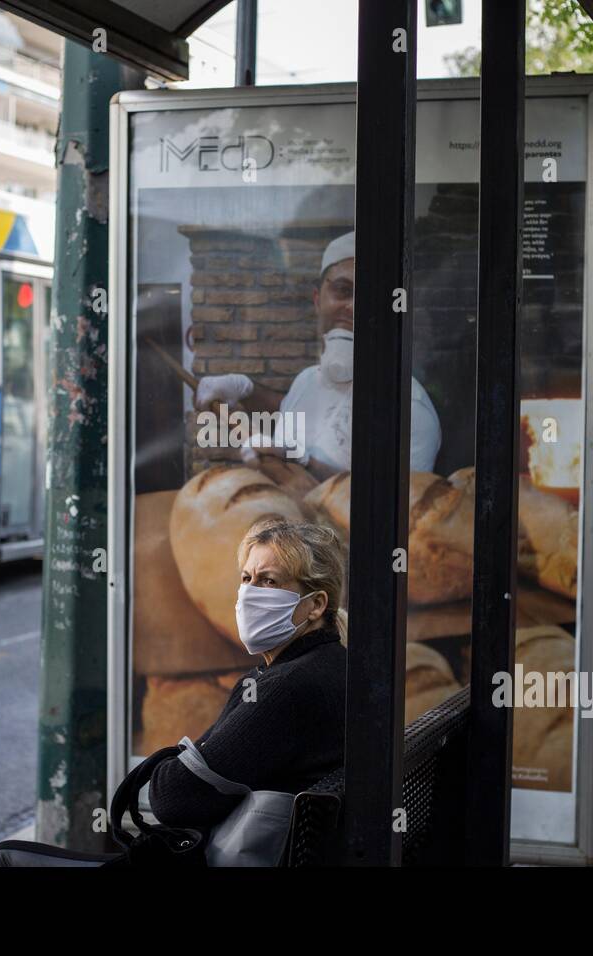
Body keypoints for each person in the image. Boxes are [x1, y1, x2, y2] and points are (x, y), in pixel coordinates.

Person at [146, 518, 348, 830]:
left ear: (316, 605)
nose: (248, 594)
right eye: (246, 577)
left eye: (269, 581)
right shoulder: (337, 664)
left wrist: (168, 764)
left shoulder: (287, 688)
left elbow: (173, 797)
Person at [194, 230, 442, 479]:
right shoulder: (308, 380)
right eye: (343, 290)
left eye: (370, 297)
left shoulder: (410, 410)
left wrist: (304, 462)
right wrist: (246, 389)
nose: (354, 307)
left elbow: (399, 510)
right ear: (317, 300)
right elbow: (296, 408)